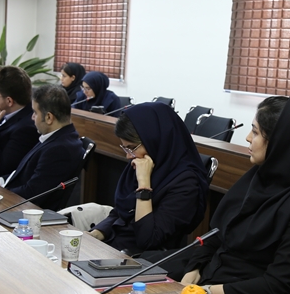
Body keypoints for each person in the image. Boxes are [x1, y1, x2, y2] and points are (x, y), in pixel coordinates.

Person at [181, 96, 290, 294]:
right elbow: (215, 236)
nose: (247, 138)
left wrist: (207, 292)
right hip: (207, 281)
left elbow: (278, 285)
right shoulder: (258, 178)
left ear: (280, 142)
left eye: (255, 132)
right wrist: (194, 268)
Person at [88, 103, 209, 267]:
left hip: (140, 261)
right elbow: (122, 212)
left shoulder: (186, 183)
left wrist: (144, 186)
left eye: (132, 148)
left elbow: (148, 239)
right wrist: (97, 233)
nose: (128, 156)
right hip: (114, 247)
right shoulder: (146, 163)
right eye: (125, 148)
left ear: (155, 141)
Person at [5, 85, 84, 212]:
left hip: (25, 211)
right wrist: (0, 182)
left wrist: (0, 193)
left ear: (49, 118)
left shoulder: (60, 149)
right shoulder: (57, 137)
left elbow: (32, 193)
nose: (32, 117)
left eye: (35, 112)